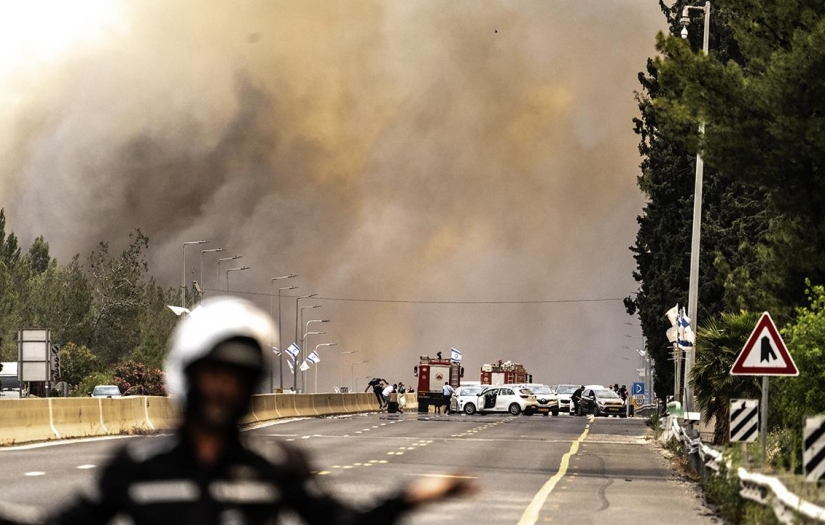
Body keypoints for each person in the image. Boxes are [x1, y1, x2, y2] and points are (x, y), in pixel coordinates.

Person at [32, 297, 473, 525]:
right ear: (188, 374)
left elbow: (340, 522)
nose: (224, 390)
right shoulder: (136, 469)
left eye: (238, 379)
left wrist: (408, 498)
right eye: (214, 375)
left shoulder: (275, 467)